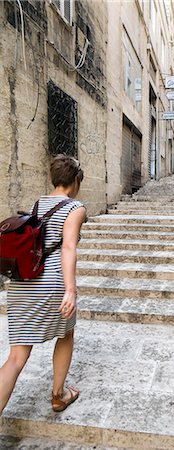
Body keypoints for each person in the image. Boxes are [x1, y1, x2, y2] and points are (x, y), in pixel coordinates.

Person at [0, 154, 87, 414]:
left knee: (16, 357)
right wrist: (70, 290)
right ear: (75, 181)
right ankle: (58, 395)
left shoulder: (39, 204)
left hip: (21, 281)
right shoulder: (75, 208)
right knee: (66, 333)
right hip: (50, 284)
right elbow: (68, 248)